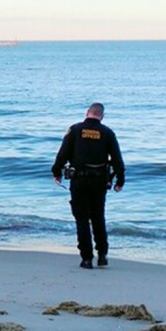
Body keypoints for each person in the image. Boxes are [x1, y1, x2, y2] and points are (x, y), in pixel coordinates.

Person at [52, 103, 125, 269]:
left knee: (82, 219)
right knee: (98, 217)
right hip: (99, 181)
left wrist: (56, 172)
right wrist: (120, 181)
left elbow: (62, 154)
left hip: (79, 181)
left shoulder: (75, 130)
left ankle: (86, 258)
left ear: (87, 113)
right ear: (102, 116)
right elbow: (117, 160)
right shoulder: (107, 133)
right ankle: (102, 255)